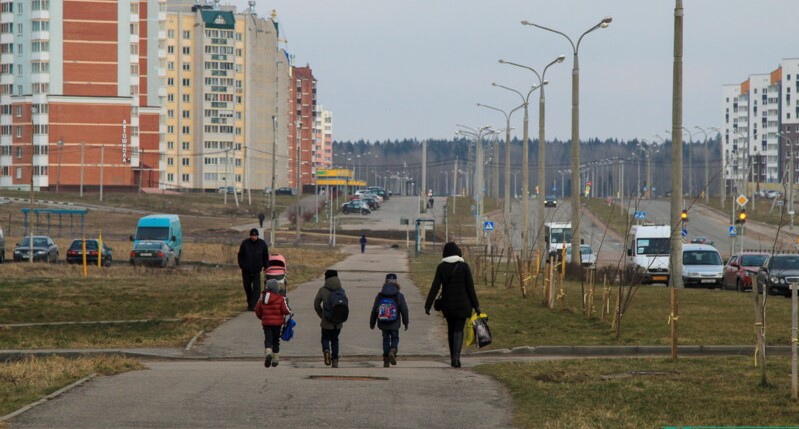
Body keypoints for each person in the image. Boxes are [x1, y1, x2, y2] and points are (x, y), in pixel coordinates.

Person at [424, 242, 480, 368]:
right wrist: (476, 306)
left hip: (448, 304)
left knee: (450, 329)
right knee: (459, 329)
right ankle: (456, 358)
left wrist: (428, 305)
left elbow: (435, 287)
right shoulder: (464, 266)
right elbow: (470, 288)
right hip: (463, 303)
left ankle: (452, 357)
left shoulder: (441, 267)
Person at [370, 273, 409, 367]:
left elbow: (374, 309)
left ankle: (386, 360)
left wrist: (372, 322)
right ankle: (393, 350)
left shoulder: (380, 295)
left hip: (383, 322)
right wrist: (405, 322)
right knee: (395, 338)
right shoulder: (399, 295)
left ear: (385, 281)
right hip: (395, 322)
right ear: (396, 282)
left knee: (385, 339)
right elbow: (404, 310)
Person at [255, 279, 292, 368]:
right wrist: (289, 311)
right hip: (277, 324)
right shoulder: (280, 298)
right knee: (276, 340)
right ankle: (275, 359)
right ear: (276, 288)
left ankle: (268, 353)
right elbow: (285, 310)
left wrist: (262, 317)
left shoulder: (262, 297)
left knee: (268, 339)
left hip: (266, 323)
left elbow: (257, 310)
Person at [314, 269, 346, 368]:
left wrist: (322, 315)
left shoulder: (322, 290)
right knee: (335, 340)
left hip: (326, 321)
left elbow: (316, 305)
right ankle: (335, 360)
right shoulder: (341, 290)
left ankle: (326, 350)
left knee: (325, 338)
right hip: (338, 322)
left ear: (326, 278)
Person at [238, 228, 269, 311]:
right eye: (252, 235)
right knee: (247, 287)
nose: (253, 237)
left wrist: (266, 266)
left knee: (257, 288)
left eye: (255, 235)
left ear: (257, 236)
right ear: (250, 235)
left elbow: (265, 256)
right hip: (246, 270)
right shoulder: (245, 243)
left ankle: (254, 305)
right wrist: (242, 265)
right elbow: (240, 255)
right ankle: (250, 303)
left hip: (256, 270)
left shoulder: (262, 244)